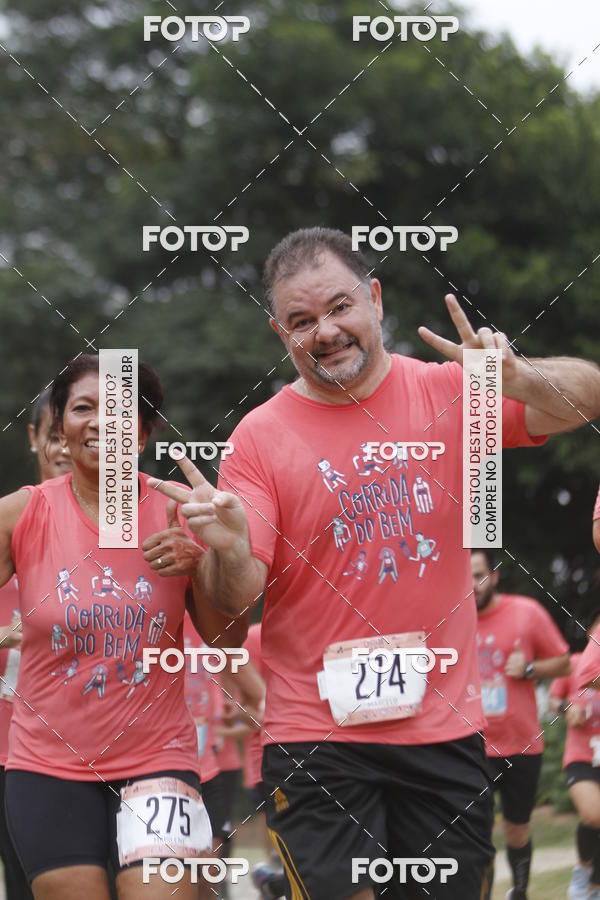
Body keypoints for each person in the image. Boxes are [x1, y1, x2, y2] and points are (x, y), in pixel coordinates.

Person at [150, 227, 600, 900]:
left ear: (375, 300)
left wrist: (519, 377)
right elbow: (236, 598)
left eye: (340, 307)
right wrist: (232, 549)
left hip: (445, 732)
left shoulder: (454, 392)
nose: (326, 331)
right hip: (316, 738)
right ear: (281, 333)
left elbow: (589, 398)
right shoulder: (259, 439)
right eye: (302, 321)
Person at [0, 355, 249, 900]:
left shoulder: (180, 511)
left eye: (116, 410)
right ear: (60, 428)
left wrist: (207, 562)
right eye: (82, 408)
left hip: (159, 758)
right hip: (47, 764)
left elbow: (226, 638)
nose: (98, 421)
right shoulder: (21, 514)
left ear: (140, 432)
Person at [472, 549, 570, 900]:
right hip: (472, 747)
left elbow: (563, 663)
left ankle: (520, 893)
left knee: (517, 831)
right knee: (476, 834)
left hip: (522, 746)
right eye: (465, 577)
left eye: (478, 575)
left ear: (494, 576)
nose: (472, 584)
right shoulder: (452, 621)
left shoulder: (526, 612)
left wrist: (530, 668)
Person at [0, 389, 65, 900]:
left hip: (95, 748)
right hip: (11, 753)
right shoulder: (9, 521)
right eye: (54, 436)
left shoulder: (122, 527)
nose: (66, 448)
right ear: (33, 437)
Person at [550, 598, 600, 900]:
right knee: (593, 815)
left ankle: (594, 885)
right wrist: (568, 708)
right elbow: (553, 700)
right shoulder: (576, 663)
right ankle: (583, 869)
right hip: (581, 756)